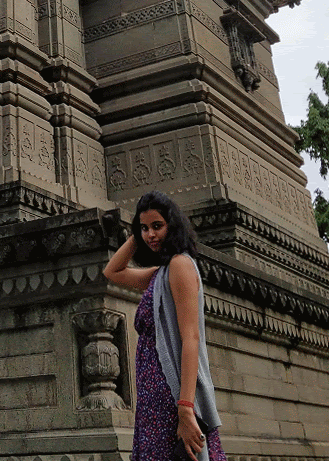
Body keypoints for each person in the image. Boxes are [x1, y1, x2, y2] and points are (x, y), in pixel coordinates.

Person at [103, 190, 228, 461]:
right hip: (152, 399)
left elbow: (190, 338)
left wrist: (185, 408)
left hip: (171, 399)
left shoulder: (180, 265)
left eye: (157, 226)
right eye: (145, 228)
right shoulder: (162, 273)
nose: (151, 235)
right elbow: (112, 271)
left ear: (173, 225)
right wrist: (138, 233)